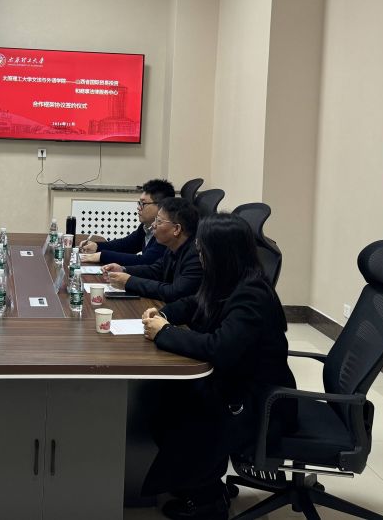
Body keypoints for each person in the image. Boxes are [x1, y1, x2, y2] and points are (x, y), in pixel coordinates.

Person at [140, 213, 297, 520]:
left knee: (182, 408)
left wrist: (165, 333)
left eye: (203, 250)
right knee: (162, 396)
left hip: (260, 402)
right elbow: (195, 303)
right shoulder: (228, 280)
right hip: (238, 386)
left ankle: (208, 503)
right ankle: (198, 483)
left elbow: (219, 348)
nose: (199, 255)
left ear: (221, 253)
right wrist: (165, 313)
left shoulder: (252, 295)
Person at [103, 197, 203, 302]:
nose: (153, 225)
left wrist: (129, 281)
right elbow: (156, 271)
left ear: (177, 229)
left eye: (159, 221)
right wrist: (123, 269)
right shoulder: (173, 247)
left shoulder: (196, 256)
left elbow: (174, 292)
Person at [80, 179, 174, 266]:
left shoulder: (166, 232)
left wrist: (103, 256)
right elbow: (126, 245)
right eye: (139, 203)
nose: (139, 207)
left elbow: (145, 261)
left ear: (161, 206)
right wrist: (97, 246)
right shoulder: (146, 227)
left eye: (143, 203)